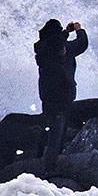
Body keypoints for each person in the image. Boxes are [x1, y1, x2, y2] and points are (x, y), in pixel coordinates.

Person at [35, 19, 89, 165]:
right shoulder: (64, 49)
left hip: (47, 95)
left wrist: (65, 32)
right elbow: (82, 43)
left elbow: (53, 41)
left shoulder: (42, 49)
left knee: (48, 125)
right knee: (58, 131)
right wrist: (79, 30)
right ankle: (50, 166)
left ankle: (39, 156)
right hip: (63, 96)